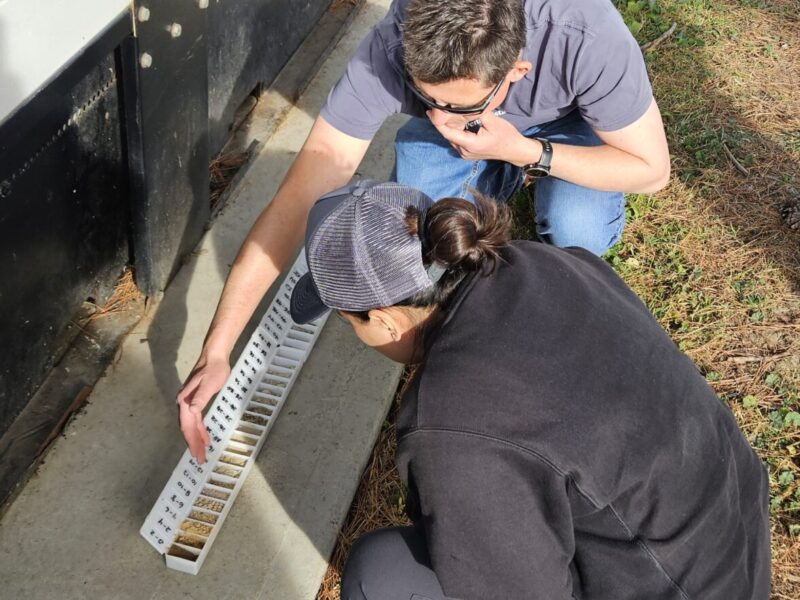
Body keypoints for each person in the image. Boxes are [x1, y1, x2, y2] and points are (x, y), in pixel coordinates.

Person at [177, 0, 670, 447]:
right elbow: (296, 201)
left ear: (518, 69)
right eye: (425, 100)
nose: (443, 121)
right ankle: (493, 172)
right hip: (498, 123)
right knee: (416, 232)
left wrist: (524, 151)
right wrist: (218, 347)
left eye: (461, 107)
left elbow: (651, 170)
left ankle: (522, 169)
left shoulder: (583, 33)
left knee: (575, 232)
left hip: (571, 124)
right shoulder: (390, 49)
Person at [288, 181, 769, 600]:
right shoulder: (542, 260)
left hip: (677, 588)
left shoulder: (452, 425)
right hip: (735, 543)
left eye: (349, 322)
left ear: (387, 320)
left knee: (381, 573)